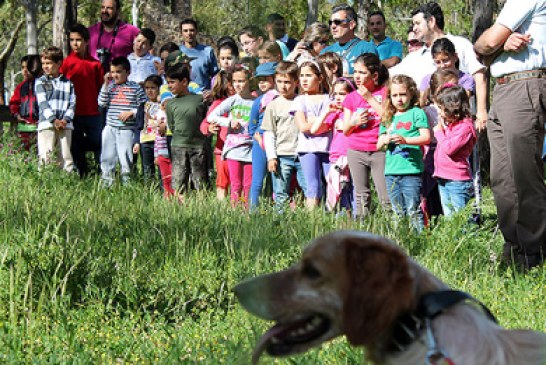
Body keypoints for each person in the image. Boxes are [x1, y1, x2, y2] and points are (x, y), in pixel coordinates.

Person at [474, 0, 546, 270]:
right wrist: (496, 46)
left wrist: (493, 45)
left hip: (526, 84)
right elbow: (480, 48)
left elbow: (487, 43)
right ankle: (515, 248)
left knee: (525, 175)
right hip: (503, 88)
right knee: (502, 178)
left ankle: (535, 253)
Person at [391, 2, 488, 130]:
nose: (414, 28)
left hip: (458, 125)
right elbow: (389, 75)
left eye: (417, 23)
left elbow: (479, 76)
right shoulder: (415, 56)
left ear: (431, 21)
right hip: (428, 130)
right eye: (437, 61)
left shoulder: (461, 44)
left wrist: (481, 112)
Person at [377, 74, 431, 232]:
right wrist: (385, 140)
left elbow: (426, 137)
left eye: (403, 94)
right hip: (391, 172)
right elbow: (378, 144)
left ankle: (418, 240)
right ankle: (400, 239)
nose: (399, 99)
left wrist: (405, 140)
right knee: (397, 211)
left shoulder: (416, 113)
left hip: (411, 171)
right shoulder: (388, 117)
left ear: (411, 94)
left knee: (413, 209)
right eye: (394, 95)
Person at [342, 53, 390, 219]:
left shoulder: (385, 93)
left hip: (379, 150)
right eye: (355, 71)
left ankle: (391, 229)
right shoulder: (350, 98)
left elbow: (388, 118)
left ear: (374, 75)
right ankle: (361, 229)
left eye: (362, 72)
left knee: (385, 194)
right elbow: (346, 130)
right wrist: (354, 121)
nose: (357, 76)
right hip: (356, 150)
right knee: (361, 194)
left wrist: (369, 98)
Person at [207, 65, 256, 208]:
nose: (237, 84)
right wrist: (228, 122)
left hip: (251, 148)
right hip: (233, 148)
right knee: (236, 183)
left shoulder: (255, 101)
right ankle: (235, 211)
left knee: (248, 184)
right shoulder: (232, 100)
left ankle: (247, 212)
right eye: (235, 81)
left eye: (241, 81)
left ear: (249, 80)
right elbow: (211, 116)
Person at [262, 61, 307, 211]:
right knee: (280, 192)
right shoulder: (273, 105)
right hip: (282, 155)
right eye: (279, 81)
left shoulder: (303, 101)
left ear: (296, 82)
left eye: (287, 82)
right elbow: (269, 133)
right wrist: (271, 157)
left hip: (303, 154)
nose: (283, 86)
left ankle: (312, 219)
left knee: (309, 190)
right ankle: (280, 222)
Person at [60, 23, 104, 177]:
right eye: (72, 40)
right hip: (73, 114)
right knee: (76, 147)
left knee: (98, 144)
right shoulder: (66, 63)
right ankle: (81, 176)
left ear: (86, 41)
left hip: (93, 113)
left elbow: (100, 88)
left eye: (78, 40)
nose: (75, 44)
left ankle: (101, 175)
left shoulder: (96, 64)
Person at [98, 56, 147, 187]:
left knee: (126, 158)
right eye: (113, 72)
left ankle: (128, 184)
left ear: (128, 72)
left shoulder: (135, 88)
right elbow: (102, 103)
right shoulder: (110, 87)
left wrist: (132, 112)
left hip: (126, 129)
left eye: (118, 72)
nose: (115, 75)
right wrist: (105, 84)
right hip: (110, 127)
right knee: (107, 157)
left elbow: (144, 106)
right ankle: (107, 184)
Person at [310, 77, 356, 212]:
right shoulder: (336, 114)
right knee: (338, 190)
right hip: (336, 158)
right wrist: (326, 112)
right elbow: (314, 130)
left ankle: (354, 220)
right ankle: (339, 219)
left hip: (353, 156)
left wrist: (349, 125)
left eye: (342, 94)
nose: (338, 98)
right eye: (335, 94)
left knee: (352, 191)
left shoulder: (355, 113)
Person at [432, 84, 477, 216]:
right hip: (444, 177)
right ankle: (454, 237)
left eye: (442, 109)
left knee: (461, 218)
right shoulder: (453, 125)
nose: (439, 113)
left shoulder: (465, 128)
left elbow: (449, 149)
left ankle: (467, 236)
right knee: (450, 216)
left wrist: (439, 132)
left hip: (457, 181)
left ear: (454, 109)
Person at [165, 63, 208, 196]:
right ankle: (181, 207)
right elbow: (171, 125)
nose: (169, 86)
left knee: (200, 181)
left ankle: (201, 206)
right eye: (168, 82)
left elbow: (205, 120)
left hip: (198, 146)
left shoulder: (199, 100)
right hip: (178, 145)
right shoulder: (170, 104)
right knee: (178, 180)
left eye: (172, 82)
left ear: (184, 81)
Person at [293, 60, 331, 209]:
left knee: (333, 181)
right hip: (307, 148)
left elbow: (331, 124)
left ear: (320, 78)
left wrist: (314, 123)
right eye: (301, 75)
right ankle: (312, 218)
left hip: (328, 147)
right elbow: (302, 126)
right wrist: (321, 124)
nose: (304, 79)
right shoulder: (300, 100)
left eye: (308, 75)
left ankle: (338, 215)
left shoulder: (329, 99)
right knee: (313, 184)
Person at [35, 46, 76, 172]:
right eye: (43, 63)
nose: (45, 66)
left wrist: (65, 120)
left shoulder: (68, 83)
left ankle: (66, 182)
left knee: (65, 156)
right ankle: (45, 183)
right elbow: (43, 103)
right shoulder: (40, 82)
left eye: (48, 63)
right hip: (47, 125)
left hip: (65, 125)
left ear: (59, 63)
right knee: (46, 155)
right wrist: (54, 120)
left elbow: (72, 104)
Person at [200, 70, 234, 201]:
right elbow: (204, 124)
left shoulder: (244, 101)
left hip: (241, 148)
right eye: (231, 84)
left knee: (238, 179)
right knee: (222, 180)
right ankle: (221, 207)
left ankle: (238, 206)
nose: (234, 87)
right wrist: (209, 128)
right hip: (222, 149)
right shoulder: (218, 103)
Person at [249, 62, 278, 209]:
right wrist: (259, 139)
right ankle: (253, 211)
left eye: (266, 79)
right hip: (260, 143)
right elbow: (252, 127)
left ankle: (277, 208)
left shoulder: (280, 99)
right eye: (259, 80)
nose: (262, 83)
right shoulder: (257, 102)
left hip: (278, 142)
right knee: (258, 180)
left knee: (276, 179)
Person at [320, 3, 378, 76]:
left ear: (351, 24)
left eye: (337, 22)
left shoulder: (367, 49)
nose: (333, 26)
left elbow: (372, 79)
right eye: (330, 23)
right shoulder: (325, 52)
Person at [419, 38, 475, 107]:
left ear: (455, 56)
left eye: (445, 60)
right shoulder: (427, 79)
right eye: (438, 62)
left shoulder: (466, 79)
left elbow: (461, 103)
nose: (442, 66)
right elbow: (422, 103)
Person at [88, 0, 140, 71]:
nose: (105, 11)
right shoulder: (90, 31)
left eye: (109, 8)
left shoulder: (132, 31)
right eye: (103, 7)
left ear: (118, 11)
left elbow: (147, 54)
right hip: (94, 79)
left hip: (121, 80)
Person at [9, 55, 42, 151]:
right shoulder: (20, 87)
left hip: (39, 127)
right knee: (25, 154)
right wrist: (16, 115)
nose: (25, 70)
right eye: (22, 67)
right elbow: (13, 104)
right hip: (24, 127)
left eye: (28, 67)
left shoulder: (42, 84)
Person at [133, 74, 163, 181]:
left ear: (160, 88)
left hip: (160, 141)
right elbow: (138, 125)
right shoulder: (143, 106)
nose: (149, 91)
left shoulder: (163, 105)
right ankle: (149, 188)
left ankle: (162, 188)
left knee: (161, 166)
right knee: (147, 168)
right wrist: (136, 141)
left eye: (153, 88)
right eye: (147, 88)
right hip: (145, 140)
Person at [179, 18, 218, 90]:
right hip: (183, 96)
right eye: (185, 31)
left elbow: (215, 76)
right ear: (181, 33)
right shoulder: (177, 52)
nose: (189, 33)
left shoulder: (207, 51)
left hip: (204, 96)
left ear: (196, 31)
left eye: (191, 30)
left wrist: (212, 92)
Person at [154, 91, 175, 198]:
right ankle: (167, 195)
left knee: (173, 175)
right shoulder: (159, 118)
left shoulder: (174, 118)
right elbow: (157, 139)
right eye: (164, 104)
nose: (166, 106)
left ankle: (175, 194)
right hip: (162, 153)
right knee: (165, 176)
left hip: (172, 152)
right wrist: (156, 155)